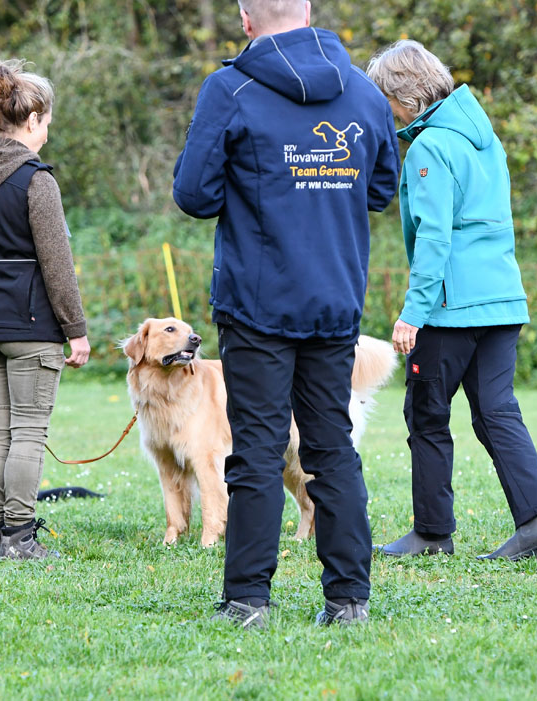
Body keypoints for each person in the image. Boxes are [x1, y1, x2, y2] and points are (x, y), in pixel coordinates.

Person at [173, 0, 400, 627]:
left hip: (257, 301)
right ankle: (348, 600)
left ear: (247, 20)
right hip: (333, 297)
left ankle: (247, 601)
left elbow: (194, 193)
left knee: (258, 448)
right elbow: (381, 188)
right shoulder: (361, 91)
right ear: (307, 11)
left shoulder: (231, 87)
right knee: (331, 448)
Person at [365, 41, 537, 560]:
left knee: (426, 414)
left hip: (451, 308)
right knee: (497, 411)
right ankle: (536, 526)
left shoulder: (431, 146)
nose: (385, 110)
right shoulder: (484, 137)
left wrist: (413, 311)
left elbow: (435, 237)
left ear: (403, 95)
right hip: (502, 300)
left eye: (385, 98)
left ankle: (431, 533)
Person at [0, 59, 90, 561]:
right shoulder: (37, 181)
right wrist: (76, 330)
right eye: (47, 122)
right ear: (31, 120)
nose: (47, 131)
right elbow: (58, 264)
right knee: (28, 432)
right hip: (31, 324)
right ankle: (19, 539)